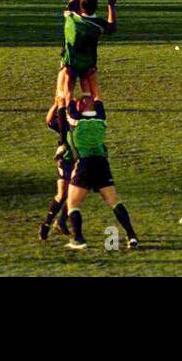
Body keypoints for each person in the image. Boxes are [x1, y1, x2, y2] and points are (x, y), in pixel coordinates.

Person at [62, 94, 138, 251]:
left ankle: (78, 238)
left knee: (73, 203)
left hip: (85, 164)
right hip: (102, 164)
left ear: (80, 107)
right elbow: (96, 95)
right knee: (114, 201)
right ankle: (131, 236)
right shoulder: (101, 117)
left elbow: (67, 96)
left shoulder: (76, 120)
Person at [56, 0, 116, 103]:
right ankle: (88, 113)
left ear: (81, 7)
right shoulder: (98, 25)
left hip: (70, 60)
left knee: (66, 90)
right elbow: (112, 27)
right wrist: (111, 4)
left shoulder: (71, 16)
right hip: (88, 63)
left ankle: (66, 108)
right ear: (96, 8)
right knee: (89, 94)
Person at [39, 94, 74, 241]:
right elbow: (49, 121)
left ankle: (60, 222)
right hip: (66, 161)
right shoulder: (64, 123)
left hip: (78, 161)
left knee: (73, 194)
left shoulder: (80, 121)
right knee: (63, 195)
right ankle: (48, 224)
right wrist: (55, 104)